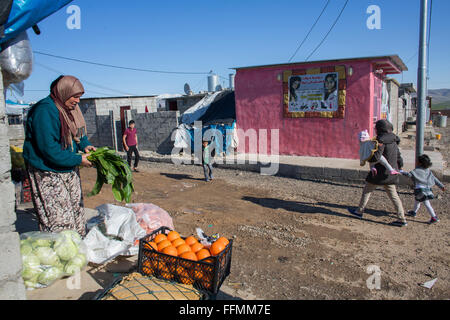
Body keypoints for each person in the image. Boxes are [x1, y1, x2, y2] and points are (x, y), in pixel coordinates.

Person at [23, 75, 95, 237]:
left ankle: (78, 246)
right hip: (48, 171)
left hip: (67, 166)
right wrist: (79, 159)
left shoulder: (69, 109)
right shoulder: (44, 111)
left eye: (79, 97)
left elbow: (77, 133)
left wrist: (85, 146)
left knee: (76, 210)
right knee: (59, 218)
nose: (77, 101)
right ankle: (63, 254)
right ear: (63, 92)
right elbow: (49, 151)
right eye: (75, 96)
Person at [348, 120, 408, 227]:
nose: (375, 130)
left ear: (380, 129)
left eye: (376, 128)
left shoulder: (380, 141)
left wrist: (369, 157)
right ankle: (402, 218)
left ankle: (359, 211)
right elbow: (398, 156)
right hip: (390, 173)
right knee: (394, 196)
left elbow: (376, 156)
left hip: (378, 173)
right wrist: (400, 166)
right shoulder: (394, 139)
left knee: (367, 191)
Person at [401, 154, 445, 224]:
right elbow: (435, 179)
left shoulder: (417, 170)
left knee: (426, 203)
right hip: (427, 190)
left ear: (420, 163)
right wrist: (442, 186)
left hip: (420, 191)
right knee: (417, 200)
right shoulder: (428, 171)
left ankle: (434, 217)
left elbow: (409, 175)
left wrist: (401, 172)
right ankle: (414, 212)